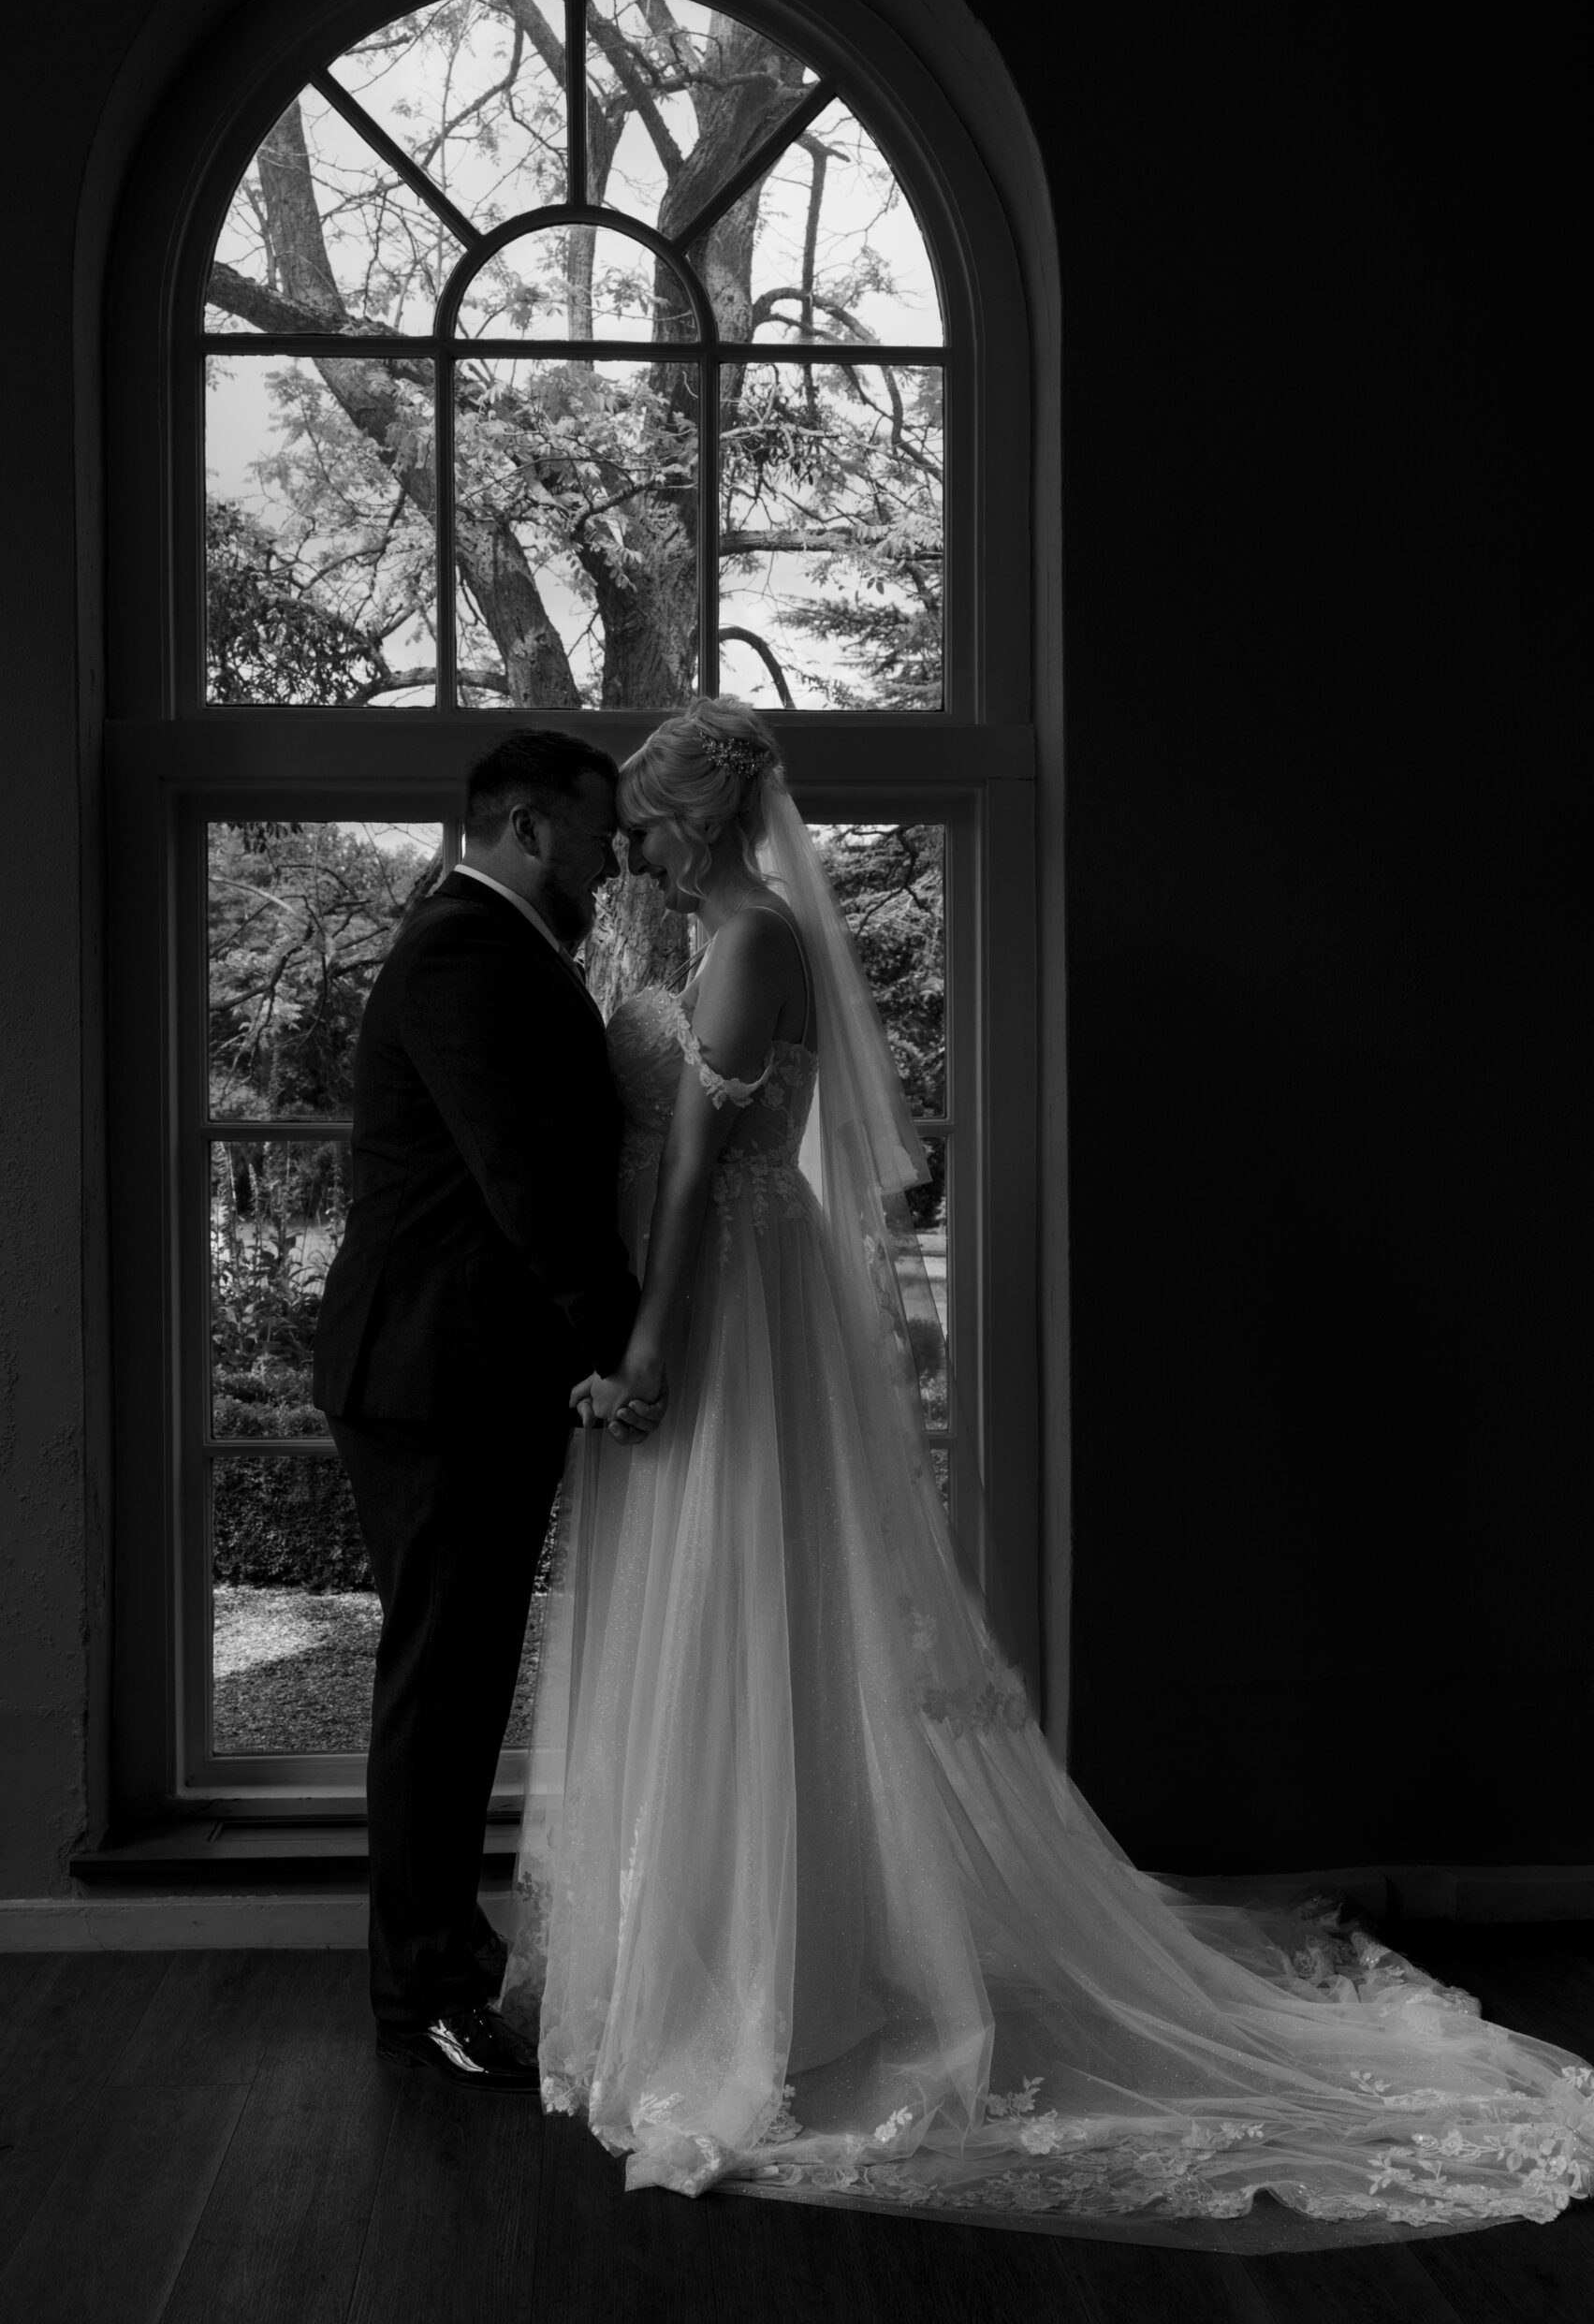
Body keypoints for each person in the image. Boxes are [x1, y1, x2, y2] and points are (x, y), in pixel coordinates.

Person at [501, 698, 1594, 2239]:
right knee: (710, 1613)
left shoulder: (746, 943)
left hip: (730, 1305)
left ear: (698, 820)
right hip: (723, 1287)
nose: (632, 853)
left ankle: (759, 1985)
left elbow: (692, 1163)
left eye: (646, 827)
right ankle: (723, 1950)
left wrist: (652, 1341)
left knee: (740, 1602)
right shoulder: (707, 939)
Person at [314, 726, 663, 2090]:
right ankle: (426, 1992)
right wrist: (631, 1347)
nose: (610, 858)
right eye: (592, 835)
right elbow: (529, 1186)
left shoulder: (496, 945)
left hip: (458, 1374)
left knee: (451, 1683)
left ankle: (441, 1956)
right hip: (435, 1378)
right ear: (526, 824)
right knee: (444, 1690)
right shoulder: (467, 950)